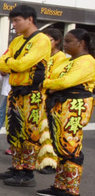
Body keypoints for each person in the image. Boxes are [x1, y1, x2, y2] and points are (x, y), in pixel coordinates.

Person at [0, 5, 51, 187]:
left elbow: (21, 64)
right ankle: (17, 167)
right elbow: (0, 62)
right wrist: (14, 64)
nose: (14, 24)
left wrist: (11, 64)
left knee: (30, 134)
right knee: (14, 131)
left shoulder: (42, 40)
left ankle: (27, 173)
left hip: (33, 94)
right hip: (15, 91)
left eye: (17, 20)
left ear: (30, 19)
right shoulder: (17, 41)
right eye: (13, 21)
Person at [39, 29, 95, 196]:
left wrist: (48, 85)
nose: (65, 44)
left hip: (74, 107)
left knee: (71, 149)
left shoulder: (87, 61)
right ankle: (60, 186)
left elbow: (63, 81)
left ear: (82, 43)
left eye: (69, 41)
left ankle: (73, 194)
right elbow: (56, 77)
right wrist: (53, 84)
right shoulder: (68, 60)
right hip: (61, 106)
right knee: (61, 147)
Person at [36, 28, 66, 174]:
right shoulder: (44, 56)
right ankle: (41, 160)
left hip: (51, 98)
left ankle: (51, 162)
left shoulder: (61, 58)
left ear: (57, 41)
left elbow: (59, 81)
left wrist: (48, 87)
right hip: (39, 97)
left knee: (50, 131)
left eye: (49, 40)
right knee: (40, 131)